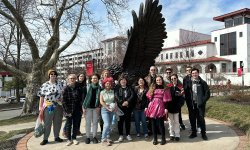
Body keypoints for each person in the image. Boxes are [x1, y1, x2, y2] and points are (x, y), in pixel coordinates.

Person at [38, 69, 65, 145]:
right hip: (49, 106)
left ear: (56, 76)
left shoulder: (60, 84)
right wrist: (40, 106)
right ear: (49, 75)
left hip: (58, 106)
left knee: (58, 122)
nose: (53, 76)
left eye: (54, 74)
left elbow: (63, 93)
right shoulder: (45, 85)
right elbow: (42, 96)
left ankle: (56, 137)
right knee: (47, 123)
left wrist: (61, 99)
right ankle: (45, 139)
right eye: (51, 74)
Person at [145, 75, 171, 145]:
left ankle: (163, 139)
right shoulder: (152, 88)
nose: (158, 81)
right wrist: (147, 107)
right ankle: (155, 139)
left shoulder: (166, 88)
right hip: (152, 106)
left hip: (161, 106)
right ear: (155, 81)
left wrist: (166, 108)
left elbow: (167, 100)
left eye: (159, 80)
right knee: (153, 124)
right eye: (157, 80)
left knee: (160, 124)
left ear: (162, 80)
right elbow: (148, 98)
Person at [185, 68, 210, 140]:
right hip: (192, 105)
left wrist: (202, 101)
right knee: (192, 119)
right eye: (193, 73)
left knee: (201, 119)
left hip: (200, 105)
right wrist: (188, 102)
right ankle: (194, 133)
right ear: (191, 74)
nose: (194, 74)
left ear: (198, 73)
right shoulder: (189, 82)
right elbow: (186, 93)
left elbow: (207, 94)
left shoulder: (202, 82)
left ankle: (203, 134)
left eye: (195, 73)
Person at [62, 73, 86, 138]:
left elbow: (81, 98)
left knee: (76, 124)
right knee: (69, 124)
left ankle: (74, 137)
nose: (72, 80)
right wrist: (67, 111)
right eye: (71, 78)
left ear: (76, 79)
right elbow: (63, 101)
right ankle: (68, 137)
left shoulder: (78, 87)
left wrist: (81, 108)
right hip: (69, 109)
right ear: (68, 79)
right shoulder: (65, 88)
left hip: (77, 109)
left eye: (73, 78)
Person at [83, 74, 102, 144]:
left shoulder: (100, 88)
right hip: (87, 108)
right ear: (91, 79)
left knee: (95, 123)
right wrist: (83, 107)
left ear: (98, 79)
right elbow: (83, 98)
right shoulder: (86, 87)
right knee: (87, 123)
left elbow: (101, 99)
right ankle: (87, 137)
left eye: (96, 78)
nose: (94, 79)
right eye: (93, 78)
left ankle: (94, 137)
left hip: (96, 108)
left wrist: (99, 106)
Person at [115, 75, 135, 142]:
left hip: (128, 107)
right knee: (120, 122)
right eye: (121, 80)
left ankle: (128, 134)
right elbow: (116, 96)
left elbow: (132, 95)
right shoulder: (117, 88)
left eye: (124, 80)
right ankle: (120, 135)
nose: (123, 81)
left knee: (127, 121)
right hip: (120, 108)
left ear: (126, 81)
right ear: (120, 81)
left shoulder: (130, 88)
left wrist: (127, 102)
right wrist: (122, 102)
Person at [167, 74, 185, 141]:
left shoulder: (180, 87)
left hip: (177, 108)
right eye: (172, 79)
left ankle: (177, 134)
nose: (173, 80)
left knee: (177, 122)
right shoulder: (168, 87)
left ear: (177, 79)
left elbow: (182, 98)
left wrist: (179, 105)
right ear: (170, 80)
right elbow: (166, 97)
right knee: (170, 122)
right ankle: (171, 134)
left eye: (175, 78)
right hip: (170, 108)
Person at [100, 77, 117, 146]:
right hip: (105, 109)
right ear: (104, 84)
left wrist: (115, 107)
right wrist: (107, 107)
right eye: (106, 83)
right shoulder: (102, 92)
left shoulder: (113, 91)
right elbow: (101, 101)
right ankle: (103, 139)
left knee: (109, 124)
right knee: (106, 124)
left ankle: (107, 138)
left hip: (112, 109)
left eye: (109, 83)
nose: (108, 85)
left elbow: (115, 100)